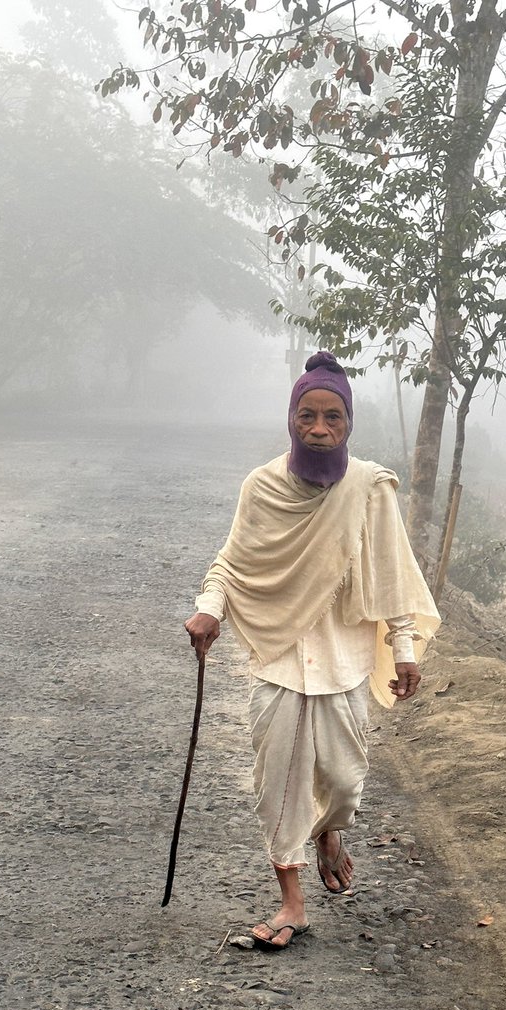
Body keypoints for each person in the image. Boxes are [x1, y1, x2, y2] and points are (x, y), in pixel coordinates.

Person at [184, 351, 440, 950]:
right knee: (279, 782)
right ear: (291, 419)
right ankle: (291, 903)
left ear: (348, 422)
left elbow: (391, 578)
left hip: (345, 658)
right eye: (308, 416)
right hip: (279, 655)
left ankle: (330, 830)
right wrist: (209, 609)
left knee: (345, 780)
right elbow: (232, 562)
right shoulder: (263, 486)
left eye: (333, 417)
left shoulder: (368, 489)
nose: (319, 428)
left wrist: (405, 649)